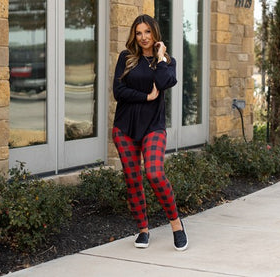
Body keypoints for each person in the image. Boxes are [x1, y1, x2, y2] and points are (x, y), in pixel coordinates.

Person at [112, 14, 188, 251]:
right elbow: (118, 91)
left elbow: (166, 82)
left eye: (147, 32)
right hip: (124, 127)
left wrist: (161, 56)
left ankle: (176, 225)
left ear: (155, 33)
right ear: (134, 35)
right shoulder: (126, 57)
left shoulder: (166, 61)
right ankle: (143, 230)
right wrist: (147, 97)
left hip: (153, 126)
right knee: (133, 179)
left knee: (154, 173)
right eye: (138, 33)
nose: (143, 37)